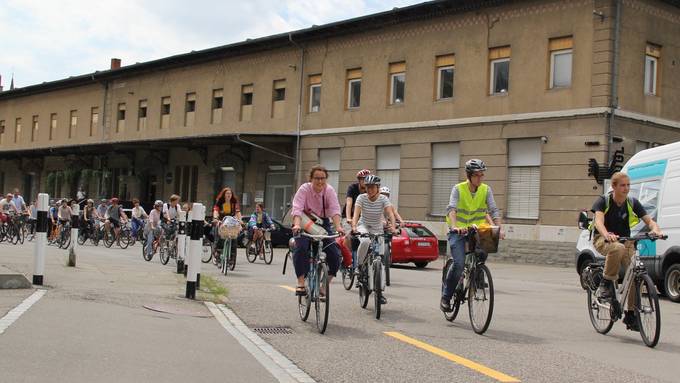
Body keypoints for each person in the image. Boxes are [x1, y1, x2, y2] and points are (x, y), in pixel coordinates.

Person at [591, 172, 662, 331]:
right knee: (617, 247)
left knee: (636, 273)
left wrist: (656, 230)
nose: (626, 188)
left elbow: (649, 221)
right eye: (622, 185)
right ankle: (606, 283)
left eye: (628, 185)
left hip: (625, 240)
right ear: (614, 186)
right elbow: (598, 221)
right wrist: (606, 234)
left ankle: (631, 314)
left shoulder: (632, 202)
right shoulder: (604, 201)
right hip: (603, 240)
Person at [441, 159, 502, 312]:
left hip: (476, 229)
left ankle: (477, 274)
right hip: (458, 231)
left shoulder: (486, 190)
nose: (480, 178)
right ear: (469, 175)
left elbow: (493, 210)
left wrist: (499, 228)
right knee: (459, 263)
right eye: (477, 175)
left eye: (482, 175)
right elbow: (452, 208)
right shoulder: (458, 189)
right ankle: (446, 297)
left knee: (487, 246)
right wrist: (455, 227)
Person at [291, 165, 345, 297]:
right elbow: (297, 209)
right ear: (311, 179)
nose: (320, 181)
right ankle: (301, 282)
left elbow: (335, 210)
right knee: (301, 248)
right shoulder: (304, 189)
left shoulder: (329, 191)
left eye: (323, 178)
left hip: (323, 224)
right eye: (317, 178)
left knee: (335, 255)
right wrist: (297, 225)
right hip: (304, 222)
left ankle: (324, 285)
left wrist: (338, 227)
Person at [351, 175, 398, 304]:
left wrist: (393, 227)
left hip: (378, 229)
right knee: (365, 242)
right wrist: (354, 227)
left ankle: (380, 292)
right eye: (368, 187)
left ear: (378, 188)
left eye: (372, 187)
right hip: (363, 226)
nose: (370, 189)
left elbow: (390, 214)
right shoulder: (361, 198)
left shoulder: (383, 199)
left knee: (380, 260)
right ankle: (359, 267)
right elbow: (356, 215)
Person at [343, 169, 371, 255]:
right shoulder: (352, 188)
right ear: (359, 180)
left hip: (362, 219)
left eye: (367, 179)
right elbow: (349, 203)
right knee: (348, 236)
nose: (365, 182)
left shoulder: (371, 191)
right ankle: (347, 255)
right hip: (349, 217)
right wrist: (348, 218)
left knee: (369, 237)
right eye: (363, 179)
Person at [212, 187, 242, 266]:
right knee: (220, 237)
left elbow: (238, 212)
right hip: (222, 221)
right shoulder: (220, 202)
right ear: (224, 195)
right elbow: (216, 210)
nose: (229, 195)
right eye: (227, 193)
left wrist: (240, 220)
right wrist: (215, 218)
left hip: (231, 222)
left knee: (234, 238)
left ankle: (232, 257)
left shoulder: (234, 202)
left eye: (230, 194)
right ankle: (217, 254)